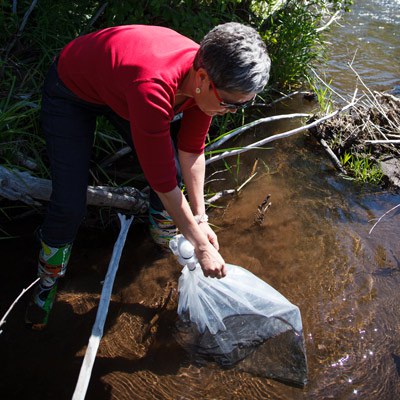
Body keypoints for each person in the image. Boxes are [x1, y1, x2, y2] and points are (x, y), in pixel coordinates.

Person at [25, 22, 271, 330]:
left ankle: (163, 235)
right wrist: (202, 246)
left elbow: (192, 151)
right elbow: (164, 184)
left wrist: (201, 218)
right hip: (71, 89)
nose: (231, 111)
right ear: (202, 78)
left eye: (242, 106)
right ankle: (47, 281)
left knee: (176, 166)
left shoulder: (204, 80)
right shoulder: (153, 89)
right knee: (69, 203)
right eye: (230, 103)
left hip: (120, 86)